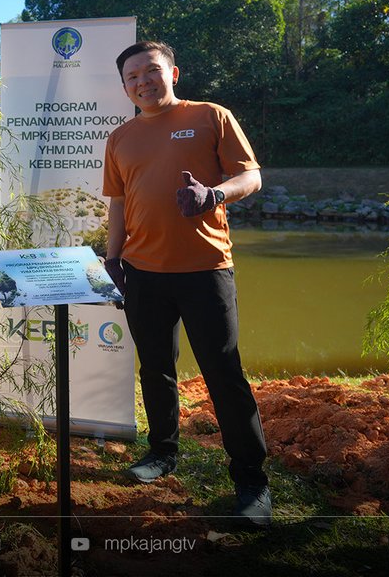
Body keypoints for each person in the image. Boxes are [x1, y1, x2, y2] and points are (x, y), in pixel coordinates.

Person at [102, 40, 271, 526]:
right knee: (155, 368)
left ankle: (251, 481)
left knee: (223, 372)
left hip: (205, 269)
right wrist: (114, 259)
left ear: (172, 73)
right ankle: (162, 453)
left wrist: (214, 193)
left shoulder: (211, 116)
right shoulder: (120, 137)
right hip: (143, 273)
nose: (142, 82)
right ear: (125, 87)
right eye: (132, 77)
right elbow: (118, 203)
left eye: (150, 71)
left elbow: (252, 176)